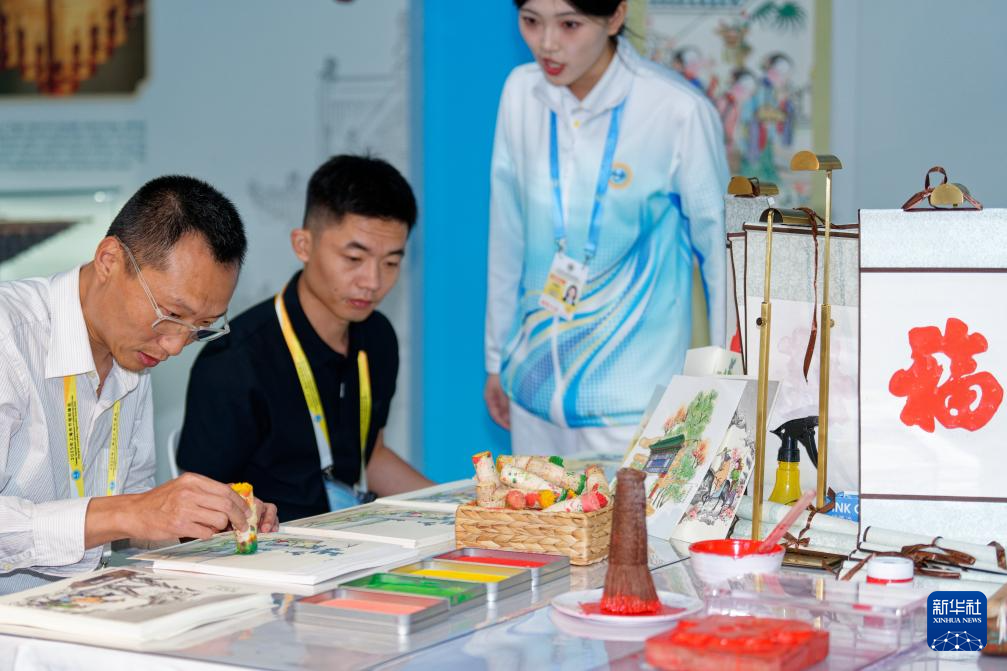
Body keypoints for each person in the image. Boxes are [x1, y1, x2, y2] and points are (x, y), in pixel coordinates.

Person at [0, 176, 279, 595]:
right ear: (109, 260)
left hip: (77, 609)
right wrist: (128, 512)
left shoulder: (134, 357)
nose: (175, 346)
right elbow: (127, 512)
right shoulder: (10, 336)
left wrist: (199, 521)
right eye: (171, 314)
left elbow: (131, 523)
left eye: (202, 327)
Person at [485, 0, 729, 455]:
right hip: (533, 389)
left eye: (569, 24)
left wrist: (725, 389)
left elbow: (721, 256)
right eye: (531, 21)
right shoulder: (521, 92)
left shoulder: (676, 110)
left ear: (615, 16)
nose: (547, 43)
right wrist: (497, 358)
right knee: (531, 506)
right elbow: (507, 232)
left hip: (634, 407)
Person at [177, 155, 433, 521]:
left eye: (391, 263)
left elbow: (371, 456)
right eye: (354, 258)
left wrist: (459, 509)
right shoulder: (234, 360)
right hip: (268, 546)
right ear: (303, 245)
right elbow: (199, 505)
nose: (373, 281)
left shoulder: (377, 337)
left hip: (353, 536)